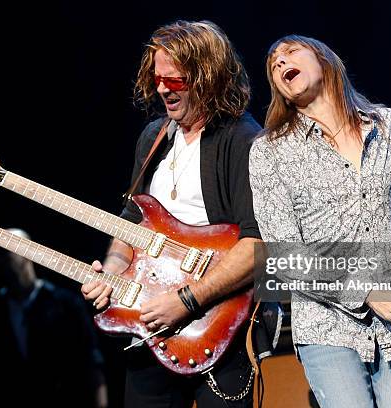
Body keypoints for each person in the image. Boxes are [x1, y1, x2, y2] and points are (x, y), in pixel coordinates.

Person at [249, 35, 391, 408]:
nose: (278, 63)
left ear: (324, 60)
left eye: (289, 53)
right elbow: (285, 255)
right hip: (327, 329)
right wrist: (365, 291)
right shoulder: (270, 151)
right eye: (272, 63)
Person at [80, 21, 262, 407]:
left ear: (206, 77)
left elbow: (257, 246)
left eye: (175, 80)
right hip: (149, 330)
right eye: (157, 78)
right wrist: (113, 271)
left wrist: (187, 301)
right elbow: (130, 223)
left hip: (216, 331)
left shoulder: (243, 139)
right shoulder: (153, 137)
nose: (162, 89)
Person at [0, 228, 107, 408]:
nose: (1, 258)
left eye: (7, 249)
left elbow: (90, 360)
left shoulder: (66, 303)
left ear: (27, 254)